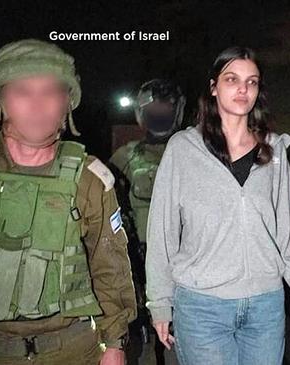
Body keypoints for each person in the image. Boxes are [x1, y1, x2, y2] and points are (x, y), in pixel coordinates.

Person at [145, 46, 290, 365]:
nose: (243, 89)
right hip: (202, 305)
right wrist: (160, 303)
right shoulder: (183, 149)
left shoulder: (273, 151)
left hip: (265, 306)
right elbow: (162, 231)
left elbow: (285, 234)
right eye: (232, 79)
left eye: (252, 81)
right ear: (214, 87)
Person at [0, 39, 136, 364]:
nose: (38, 105)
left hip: (74, 349)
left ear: (67, 102)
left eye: (51, 92)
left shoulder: (91, 178)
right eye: (23, 92)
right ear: (1, 98)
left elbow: (109, 266)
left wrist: (115, 343)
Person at [109, 79, 185, 364]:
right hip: (138, 263)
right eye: (154, 106)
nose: (160, 111)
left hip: (182, 263)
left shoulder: (193, 151)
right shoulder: (125, 157)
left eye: (166, 106)